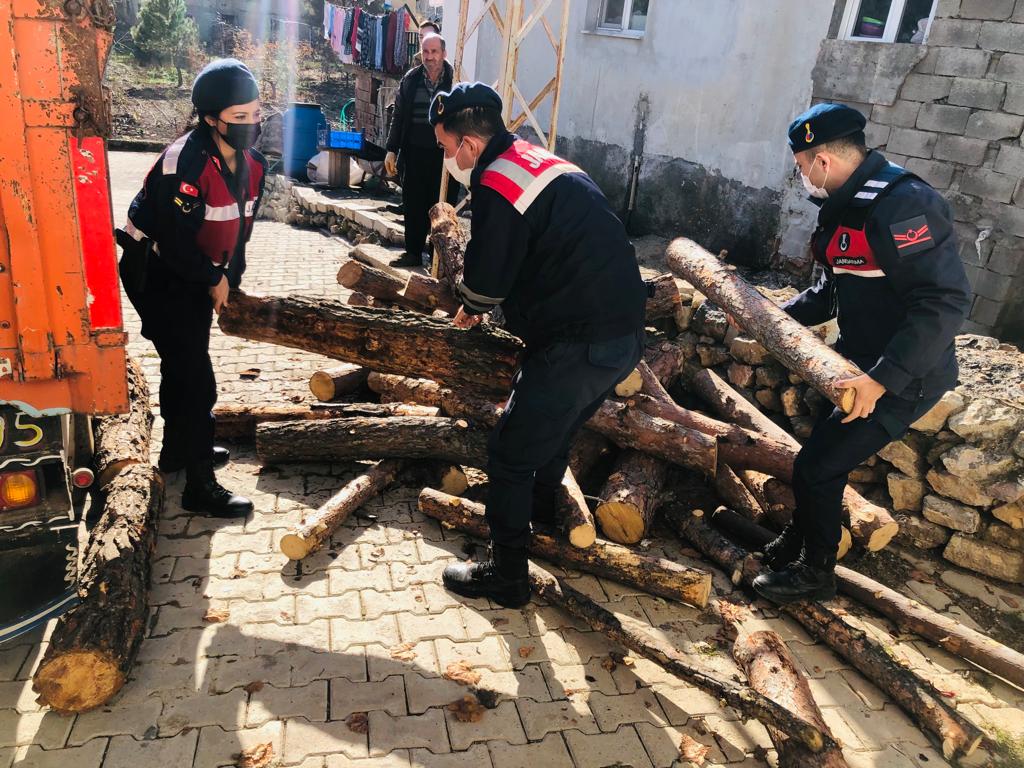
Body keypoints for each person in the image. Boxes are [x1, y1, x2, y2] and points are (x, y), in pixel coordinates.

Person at [430, 83, 648, 607]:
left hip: (578, 340)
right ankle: (543, 518)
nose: (447, 160)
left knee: (508, 453)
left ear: (469, 145)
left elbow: (486, 276)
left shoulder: (499, 182)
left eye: (445, 148)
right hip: (622, 337)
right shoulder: (539, 159)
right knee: (553, 432)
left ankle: (506, 576)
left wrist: (470, 304)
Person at [752, 103, 971, 604]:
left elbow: (943, 301)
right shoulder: (845, 206)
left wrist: (882, 380)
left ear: (823, 160)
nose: (802, 177)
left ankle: (816, 573)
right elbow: (831, 290)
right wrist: (771, 315)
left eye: (802, 166)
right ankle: (801, 541)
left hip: (904, 372)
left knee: (819, 466)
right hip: (859, 366)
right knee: (816, 460)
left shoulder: (904, 204)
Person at [117, 58, 267, 518]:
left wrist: (230, 284)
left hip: (197, 269)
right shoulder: (184, 163)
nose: (251, 124)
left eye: (257, 113)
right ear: (210, 118)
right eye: (239, 117)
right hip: (157, 273)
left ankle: (178, 450)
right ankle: (199, 486)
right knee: (195, 376)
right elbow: (176, 247)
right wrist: (211, 278)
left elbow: (240, 232)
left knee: (182, 365)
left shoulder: (254, 165)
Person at [384, 33, 459, 267]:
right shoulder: (411, 79)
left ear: (443, 53)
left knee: (442, 204)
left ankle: (440, 256)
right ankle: (413, 253)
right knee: (414, 204)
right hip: (414, 151)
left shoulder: (456, 81)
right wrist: (391, 149)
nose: (430, 57)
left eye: (434, 52)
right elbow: (398, 115)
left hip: (446, 155)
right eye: (425, 52)